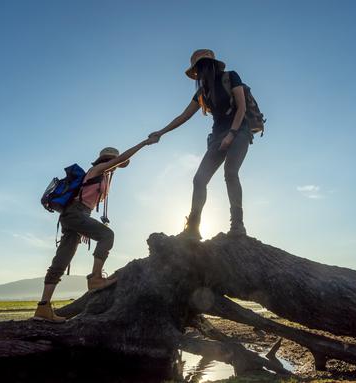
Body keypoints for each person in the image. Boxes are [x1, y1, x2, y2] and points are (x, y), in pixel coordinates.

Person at [34, 137, 157, 323]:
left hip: (75, 217)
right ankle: (95, 278)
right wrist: (143, 144)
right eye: (114, 162)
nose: (116, 166)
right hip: (75, 214)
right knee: (107, 235)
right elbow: (122, 158)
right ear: (106, 160)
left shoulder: (104, 176)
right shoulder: (97, 170)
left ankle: (43, 308)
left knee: (61, 261)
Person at [150, 49, 254, 240]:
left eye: (203, 66)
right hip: (217, 136)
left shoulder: (230, 77)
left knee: (230, 172)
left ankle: (237, 225)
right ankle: (193, 228)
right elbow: (183, 116)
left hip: (239, 131)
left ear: (212, 65)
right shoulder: (202, 92)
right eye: (198, 69)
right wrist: (161, 132)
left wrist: (231, 134)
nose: (201, 72)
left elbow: (241, 108)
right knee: (199, 180)